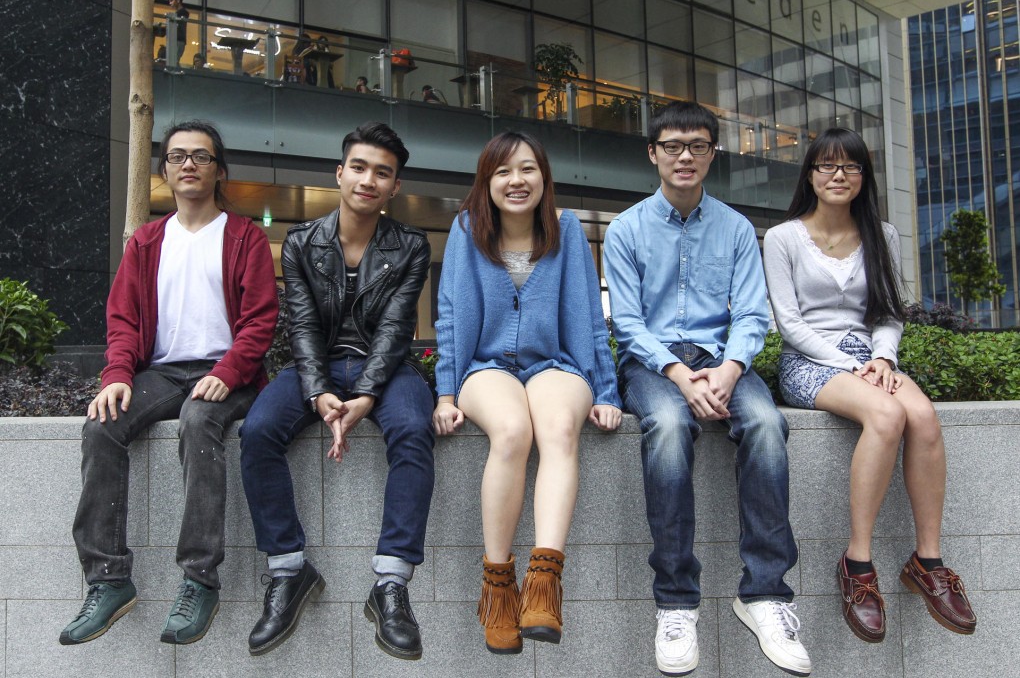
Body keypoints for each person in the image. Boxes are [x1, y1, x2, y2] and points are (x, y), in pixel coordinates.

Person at [603, 101, 812, 677]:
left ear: (712, 153)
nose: (685, 156)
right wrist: (676, 374)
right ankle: (676, 603)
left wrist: (729, 370)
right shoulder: (625, 230)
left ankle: (765, 594)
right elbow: (627, 323)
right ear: (653, 154)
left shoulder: (738, 228)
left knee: (768, 425)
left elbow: (751, 314)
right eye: (673, 146)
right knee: (670, 426)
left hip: (723, 364)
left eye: (697, 145)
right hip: (653, 367)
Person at [60, 120, 279, 646]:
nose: (188, 164)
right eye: (178, 156)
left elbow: (260, 321)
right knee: (101, 425)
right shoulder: (146, 241)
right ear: (164, 171)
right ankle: (108, 579)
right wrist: (116, 376)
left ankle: (200, 578)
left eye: (200, 157)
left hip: (231, 374)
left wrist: (227, 373)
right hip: (161, 374)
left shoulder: (245, 236)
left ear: (218, 170)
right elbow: (124, 321)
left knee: (199, 422)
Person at [763, 127, 977, 643]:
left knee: (923, 416)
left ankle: (928, 560)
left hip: (871, 360)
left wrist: (882, 356)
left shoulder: (882, 233)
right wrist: (848, 364)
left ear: (864, 177)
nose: (839, 175)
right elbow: (789, 323)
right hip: (809, 361)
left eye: (851, 166)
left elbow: (888, 312)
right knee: (887, 415)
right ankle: (858, 564)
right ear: (810, 175)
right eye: (827, 166)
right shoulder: (783, 237)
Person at [238, 122, 435, 660]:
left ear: (395, 187)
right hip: (317, 366)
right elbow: (300, 326)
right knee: (256, 431)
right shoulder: (302, 242)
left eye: (383, 173)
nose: (368, 180)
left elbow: (397, 329)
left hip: (386, 368)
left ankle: (391, 584)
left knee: (415, 430)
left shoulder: (411, 246)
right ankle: (288, 570)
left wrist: (367, 395)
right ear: (340, 171)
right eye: (360, 167)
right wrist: (318, 391)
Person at [432, 131, 622, 654]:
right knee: (513, 431)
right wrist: (446, 394)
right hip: (484, 366)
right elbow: (449, 315)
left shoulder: (565, 229)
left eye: (527, 169)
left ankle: (543, 585)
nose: (516, 181)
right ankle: (498, 588)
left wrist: (606, 391)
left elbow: (588, 316)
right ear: (486, 181)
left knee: (560, 428)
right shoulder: (468, 228)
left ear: (544, 177)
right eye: (502, 172)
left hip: (554, 364)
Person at [168, 0, 189, 67]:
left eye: (171, 0)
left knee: (174, 61)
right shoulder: (179, 13)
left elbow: (178, 26)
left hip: (179, 40)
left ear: (178, 0)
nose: (170, 3)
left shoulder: (183, 12)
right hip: (178, 40)